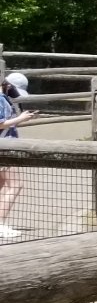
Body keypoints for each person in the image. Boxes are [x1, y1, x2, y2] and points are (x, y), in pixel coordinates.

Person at [0, 72, 37, 238]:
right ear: (8, 86)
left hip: (5, 146)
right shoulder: (1, 99)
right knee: (15, 185)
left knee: (3, 185)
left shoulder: (5, 99)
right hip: (4, 148)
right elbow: (0, 124)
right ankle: (0, 224)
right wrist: (20, 119)